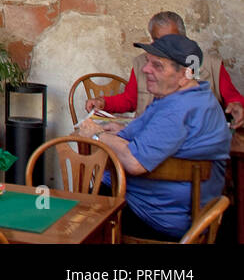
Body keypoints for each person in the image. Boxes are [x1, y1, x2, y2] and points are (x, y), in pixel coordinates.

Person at [79, 34, 230, 240]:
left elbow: (134, 161)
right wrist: (121, 133)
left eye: (157, 66)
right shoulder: (195, 96)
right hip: (166, 210)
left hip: (156, 218)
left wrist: (96, 134)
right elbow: (156, 136)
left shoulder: (179, 109)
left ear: (186, 74)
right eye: (148, 61)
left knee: (73, 219)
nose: (145, 69)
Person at [85, 10, 243, 128]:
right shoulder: (143, 64)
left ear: (184, 38)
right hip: (149, 140)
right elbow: (131, 99)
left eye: (172, 40)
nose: (167, 48)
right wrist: (103, 102)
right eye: (159, 42)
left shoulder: (209, 64)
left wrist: (237, 106)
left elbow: (233, 98)